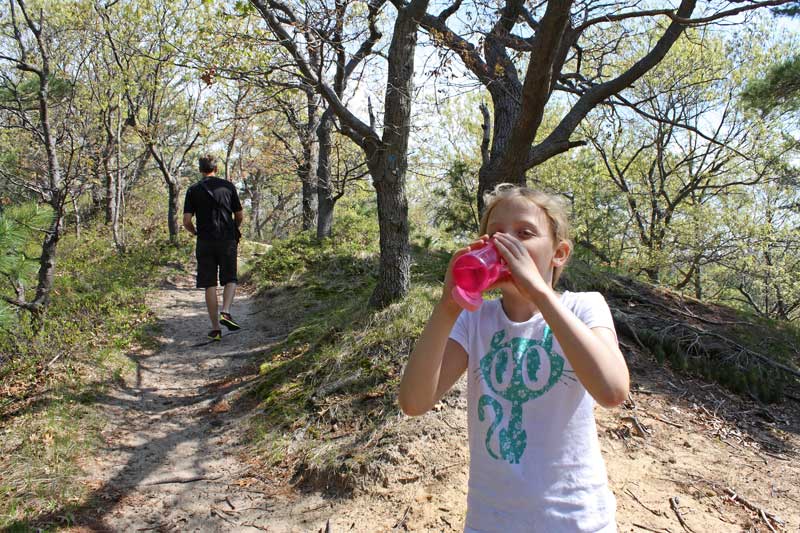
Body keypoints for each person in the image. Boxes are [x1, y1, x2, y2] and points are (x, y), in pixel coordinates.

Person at [398, 184, 629, 532]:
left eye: (525, 233)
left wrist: (539, 290)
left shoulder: (583, 306)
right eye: (495, 236)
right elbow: (414, 402)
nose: (506, 245)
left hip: (576, 520)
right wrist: (447, 306)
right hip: (491, 522)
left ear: (559, 253)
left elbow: (612, 391)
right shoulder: (474, 320)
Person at [182, 155, 244, 341]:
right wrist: (234, 228)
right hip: (226, 239)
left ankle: (216, 329)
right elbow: (239, 215)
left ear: (200, 170)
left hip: (205, 241)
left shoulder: (193, 190)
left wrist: (195, 233)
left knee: (209, 283)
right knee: (230, 278)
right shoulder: (228, 187)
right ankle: (226, 311)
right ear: (216, 168)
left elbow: (186, 221)